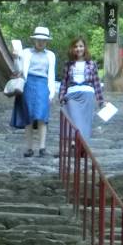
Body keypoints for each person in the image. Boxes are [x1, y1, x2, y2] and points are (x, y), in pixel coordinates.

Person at [10, 25, 57, 157]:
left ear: (47, 41)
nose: (40, 42)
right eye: (38, 39)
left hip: (43, 84)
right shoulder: (26, 52)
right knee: (28, 116)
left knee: (42, 116)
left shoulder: (51, 55)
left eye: (43, 40)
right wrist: (16, 58)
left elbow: (51, 74)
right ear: (34, 40)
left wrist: (52, 92)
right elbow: (18, 70)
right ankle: (29, 147)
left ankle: (42, 147)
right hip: (28, 83)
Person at [58, 35, 105, 143]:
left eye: (81, 46)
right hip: (72, 94)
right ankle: (76, 141)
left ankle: (83, 147)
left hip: (87, 94)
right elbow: (64, 82)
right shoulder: (68, 64)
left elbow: (96, 83)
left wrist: (101, 101)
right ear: (72, 49)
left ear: (85, 48)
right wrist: (61, 97)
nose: (78, 49)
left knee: (86, 122)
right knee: (75, 119)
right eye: (76, 46)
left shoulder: (91, 64)